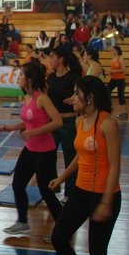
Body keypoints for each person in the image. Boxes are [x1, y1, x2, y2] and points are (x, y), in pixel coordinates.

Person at [50, 76, 122, 255]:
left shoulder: (107, 123)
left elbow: (115, 165)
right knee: (59, 237)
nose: (72, 97)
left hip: (104, 194)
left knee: (97, 253)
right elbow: (80, 157)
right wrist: (61, 178)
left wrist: (106, 203)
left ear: (89, 98)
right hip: (81, 191)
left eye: (76, 93)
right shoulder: (80, 120)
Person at [0, 62, 63, 235]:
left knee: (46, 192)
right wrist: (12, 128)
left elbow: (57, 121)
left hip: (45, 152)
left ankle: (63, 228)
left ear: (30, 79)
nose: (18, 78)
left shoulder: (41, 98)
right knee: (18, 184)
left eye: (21, 75)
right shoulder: (26, 97)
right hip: (30, 149)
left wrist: (33, 132)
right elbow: (29, 121)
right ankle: (22, 222)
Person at [47, 47, 82, 201]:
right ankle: (53, 187)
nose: (50, 60)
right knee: (49, 156)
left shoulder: (73, 77)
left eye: (52, 57)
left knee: (70, 157)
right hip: (54, 123)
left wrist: (73, 98)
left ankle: (70, 192)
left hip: (69, 122)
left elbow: (79, 94)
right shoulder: (51, 78)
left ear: (60, 59)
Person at [107, 46, 127, 118]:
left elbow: (124, 69)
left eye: (113, 50)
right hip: (113, 79)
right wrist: (110, 73)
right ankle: (110, 106)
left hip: (120, 79)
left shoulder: (120, 58)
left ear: (117, 51)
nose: (112, 51)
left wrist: (113, 71)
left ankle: (124, 112)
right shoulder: (113, 59)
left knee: (120, 95)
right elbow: (112, 69)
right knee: (107, 90)